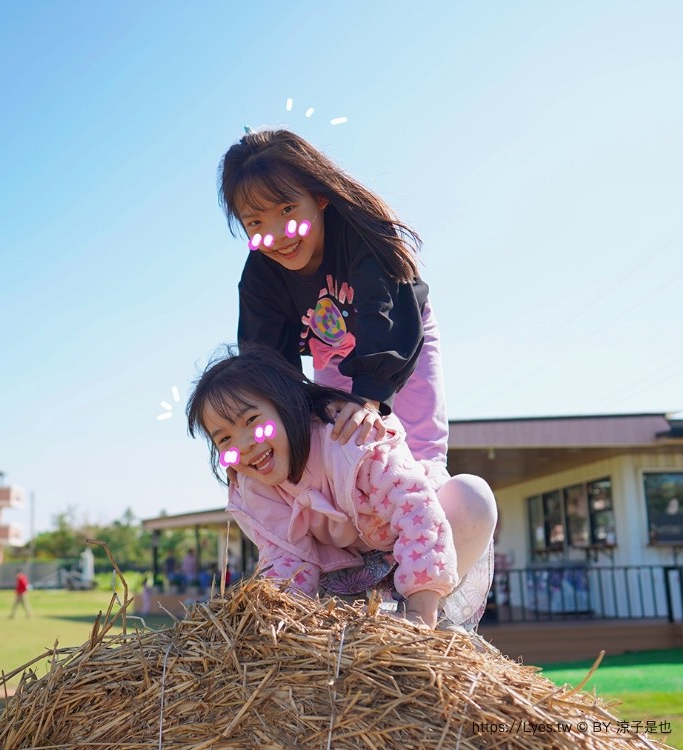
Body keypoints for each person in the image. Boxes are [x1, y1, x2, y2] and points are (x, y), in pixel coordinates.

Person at [187, 346, 497, 630]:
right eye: (224, 439)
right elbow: (287, 560)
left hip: (420, 546)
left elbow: (417, 511)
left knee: (472, 495)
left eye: (253, 421)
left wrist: (420, 612)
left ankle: (432, 613)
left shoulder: (353, 441)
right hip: (350, 578)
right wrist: (280, 626)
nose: (243, 445)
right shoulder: (256, 489)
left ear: (287, 405)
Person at [220, 129, 447, 483]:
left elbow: (383, 310)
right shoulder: (260, 278)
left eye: (287, 209)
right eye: (256, 223)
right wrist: (260, 437)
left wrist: (369, 398)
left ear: (320, 196)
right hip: (332, 352)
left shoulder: (359, 232)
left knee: (420, 448)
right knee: (338, 444)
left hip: (400, 334)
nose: (277, 234)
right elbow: (267, 361)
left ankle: (436, 501)